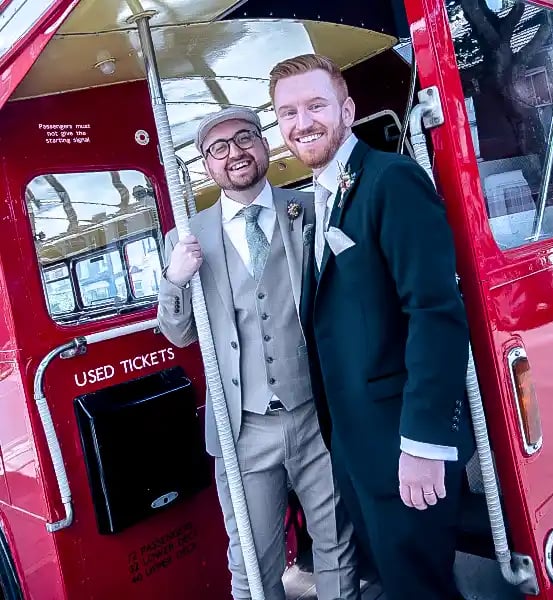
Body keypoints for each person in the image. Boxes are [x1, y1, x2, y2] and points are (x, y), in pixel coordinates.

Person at [269, 54, 475, 600]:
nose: (302, 123)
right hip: (355, 447)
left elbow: (434, 311)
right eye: (287, 112)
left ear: (347, 108)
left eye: (316, 105)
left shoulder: (392, 179)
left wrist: (425, 444)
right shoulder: (316, 199)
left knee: (420, 587)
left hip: (403, 443)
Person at [156, 106, 359, 600]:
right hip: (241, 429)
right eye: (218, 148)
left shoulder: (310, 210)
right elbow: (179, 334)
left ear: (264, 145)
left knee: (338, 546)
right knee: (251, 562)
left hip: (316, 415)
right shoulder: (186, 238)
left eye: (244, 138)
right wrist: (174, 279)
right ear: (207, 165)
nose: (235, 153)